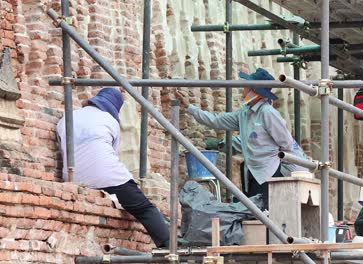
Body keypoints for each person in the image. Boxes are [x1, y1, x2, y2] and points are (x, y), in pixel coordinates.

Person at [179, 68, 310, 209]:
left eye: (248, 85)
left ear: (255, 90)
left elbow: (286, 144)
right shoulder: (244, 113)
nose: (244, 87)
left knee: (267, 213)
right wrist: (189, 107)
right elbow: (216, 120)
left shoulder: (268, 113)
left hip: (269, 172)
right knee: (254, 213)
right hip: (252, 172)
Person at [56, 87, 170, 248]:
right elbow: (112, 156)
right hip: (109, 178)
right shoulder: (110, 121)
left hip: (73, 177)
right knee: (145, 208)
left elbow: (64, 150)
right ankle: (170, 247)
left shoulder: (66, 118)